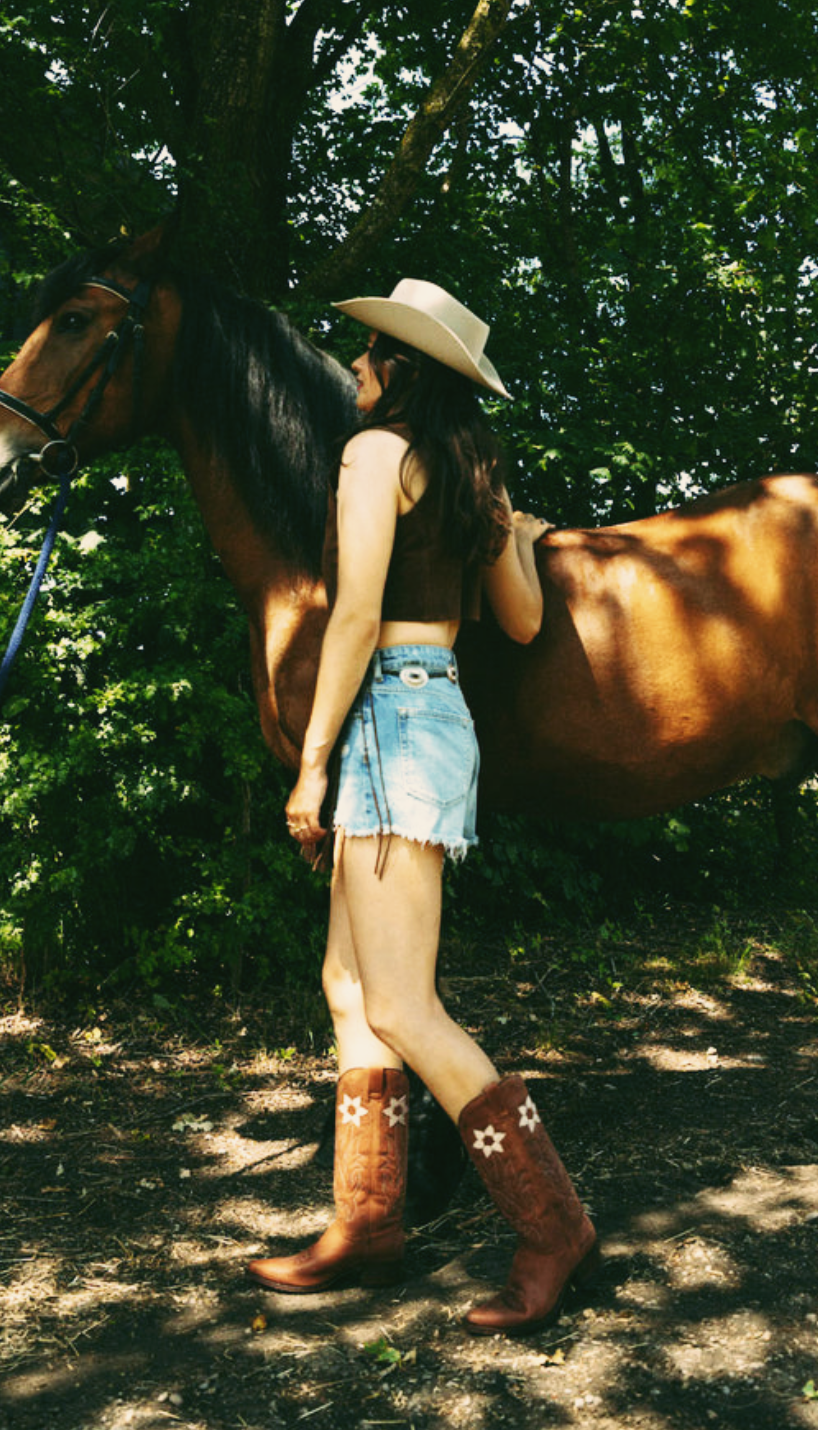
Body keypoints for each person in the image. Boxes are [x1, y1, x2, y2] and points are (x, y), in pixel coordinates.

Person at [246, 279, 598, 1336]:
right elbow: (527, 622)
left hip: (387, 722)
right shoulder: (468, 474)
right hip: (428, 712)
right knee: (348, 983)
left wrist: (310, 765)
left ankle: (553, 1224)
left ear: (400, 370)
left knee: (400, 1000)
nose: (354, 367)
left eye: (366, 354)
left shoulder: (370, 456)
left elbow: (355, 613)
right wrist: (525, 539)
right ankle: (369, 1221)